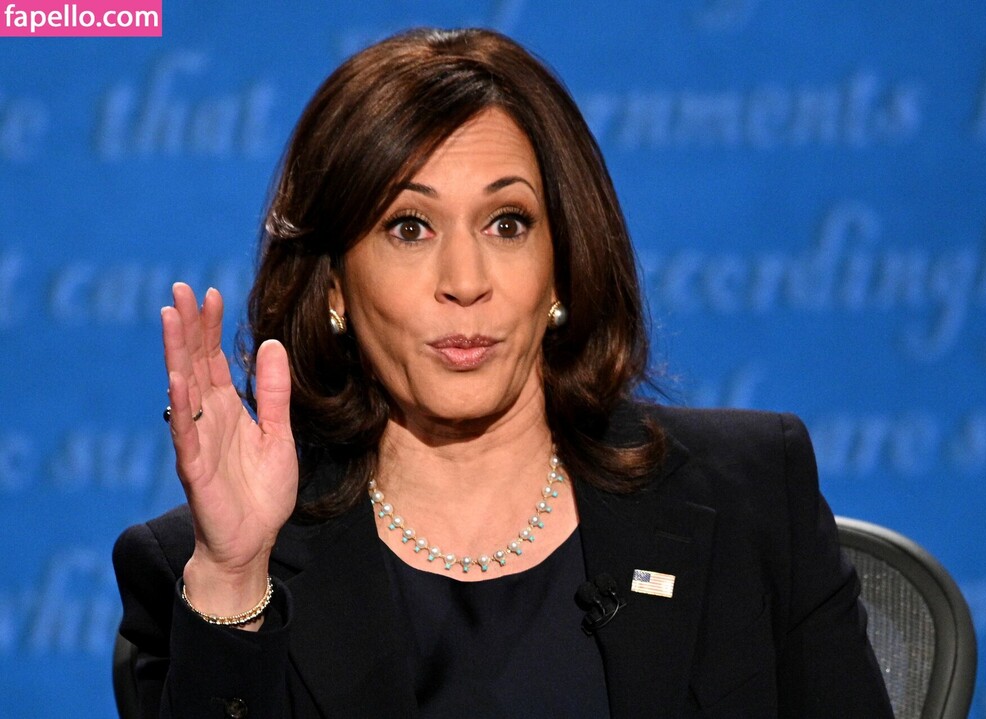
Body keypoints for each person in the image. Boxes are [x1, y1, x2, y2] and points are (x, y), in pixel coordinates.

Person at [113, 27, 894, 718]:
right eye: (409, 227)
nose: (465, 280)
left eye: (507, 223)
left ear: (561, 266)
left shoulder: (751, 495)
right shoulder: (199, 569)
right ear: (335, 288)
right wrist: (235, 579)